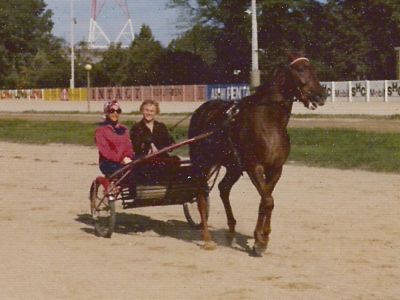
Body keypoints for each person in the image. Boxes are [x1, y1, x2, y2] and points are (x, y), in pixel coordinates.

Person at [95, 100, 134, 177]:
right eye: (112, 111)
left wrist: (127, 157)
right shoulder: (101, 131)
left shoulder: (124, 129)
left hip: (124, 161)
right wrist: (120, 159)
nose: (115, 113)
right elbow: (106, 151)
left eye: (118, 111)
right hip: (108, 163)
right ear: (107, 112)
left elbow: (129, 147)